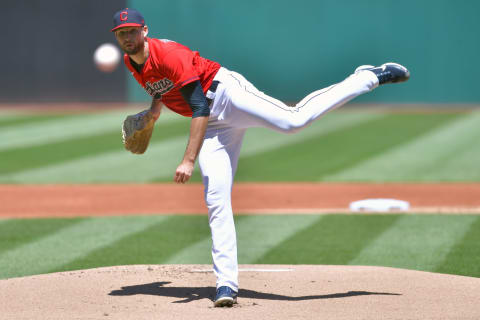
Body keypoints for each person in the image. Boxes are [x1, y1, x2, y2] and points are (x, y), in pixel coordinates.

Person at [111, 8, 410, 307]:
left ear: (145, 31)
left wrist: (189, 159)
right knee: (216, 198)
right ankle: (226, 284)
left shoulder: (168, 53)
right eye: (121, 33)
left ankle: (367, 77)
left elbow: (199, 106)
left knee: (292, 121)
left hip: (226, 94)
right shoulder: (131, 61)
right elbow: (164, 86)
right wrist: (153, 112)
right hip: (213, 126)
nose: (127, 37)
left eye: (132, 30)